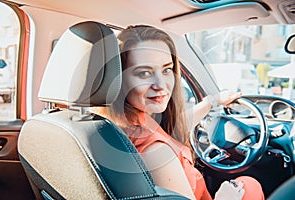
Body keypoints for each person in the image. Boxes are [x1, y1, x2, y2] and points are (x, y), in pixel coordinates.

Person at [98, 25, 264, 200]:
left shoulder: (116, 123)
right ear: (118, 78)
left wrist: (212, 102)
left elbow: (174, 127)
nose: (161, 85)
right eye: (144, 73)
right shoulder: (158, 154)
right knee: (250, 185)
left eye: (166, 70)